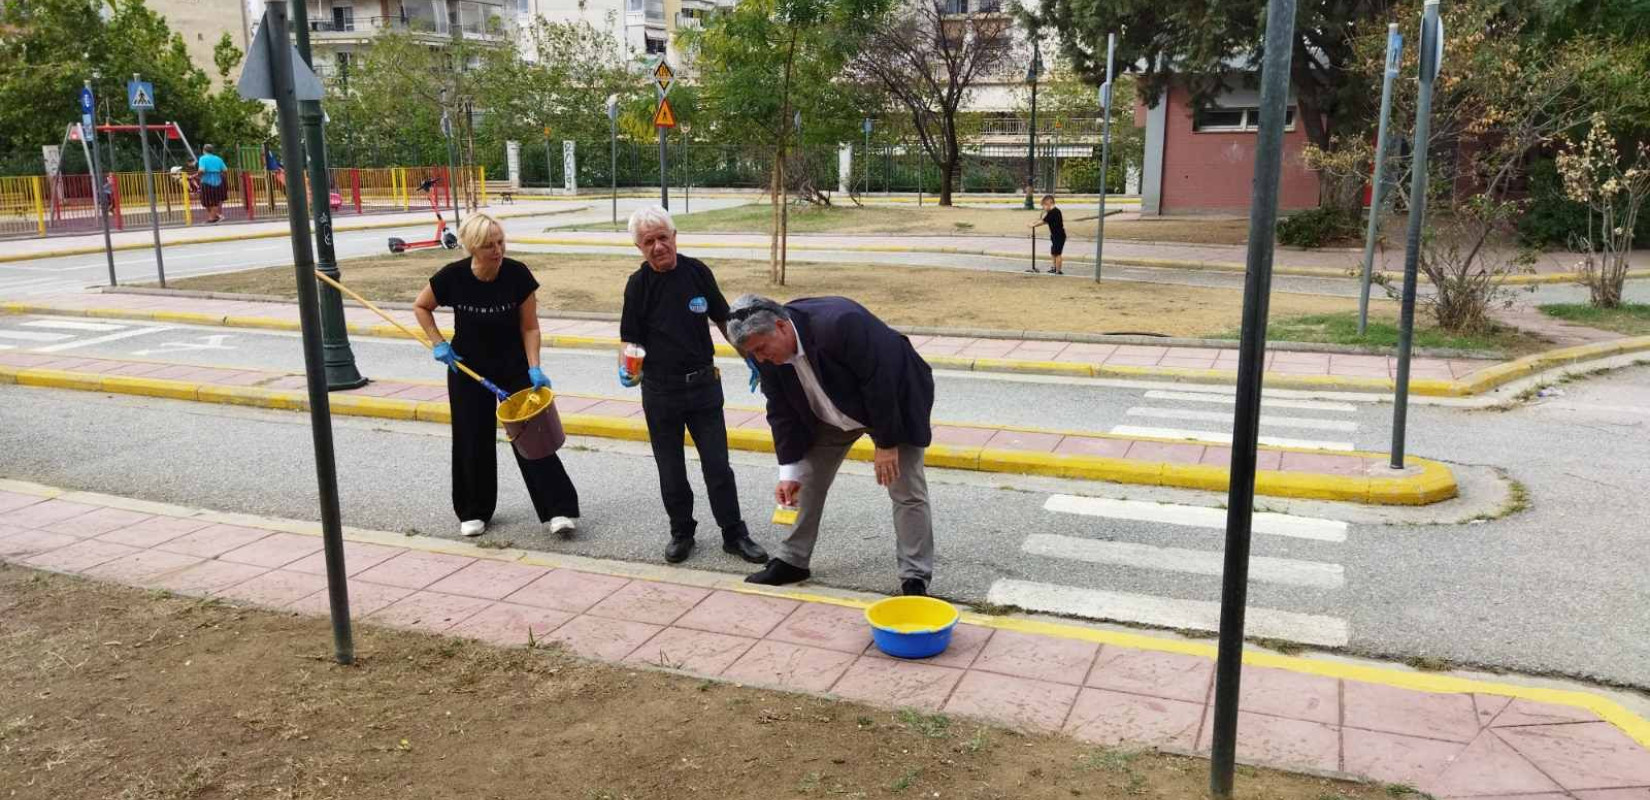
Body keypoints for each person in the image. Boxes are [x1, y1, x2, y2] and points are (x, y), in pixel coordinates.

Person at [728, 294, 937, 596]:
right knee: (807, 478)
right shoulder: (766, 356)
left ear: (781, 326)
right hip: (831, 410)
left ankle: (915, 577)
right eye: (752, 354)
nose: (760, 359)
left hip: (892, 403)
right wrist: (789, 471)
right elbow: (781, 410)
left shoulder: (839, 323)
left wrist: (887, 443)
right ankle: (793, 560)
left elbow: (882, 381)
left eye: (761, 349)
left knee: (906, 489)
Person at [412, 213, 579, 539]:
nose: (498, 250)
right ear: (473, 247)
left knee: (534, 437)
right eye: (489, 245)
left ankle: (558, 509)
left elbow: (530, 327)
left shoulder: (518, 275)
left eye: (500, 242)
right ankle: (474, 510)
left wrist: (535, 366)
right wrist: (439, 344)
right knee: (471, 438)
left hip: (513, 367)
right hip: (467, 369)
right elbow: (421, 306)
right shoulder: (453, 277)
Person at [619, 206, 768, 565]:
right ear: (639, 247)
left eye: (662, 238)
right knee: (671, 470)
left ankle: (734, 534)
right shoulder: (638, 285)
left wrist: (751, 356)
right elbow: (631, 340)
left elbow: (724, 319)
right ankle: (681, 532)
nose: (657, 247)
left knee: (718, 466)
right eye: (648, 242)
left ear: (674, 237)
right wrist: (628, 367)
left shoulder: (697, 272)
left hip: (702, 387)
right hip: (660, 391)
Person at [1028, 194, 1066, 274]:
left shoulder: (1054, 212)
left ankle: (1058, 270)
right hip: (1055, 235)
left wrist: (1033, 225)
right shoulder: (1051, 212)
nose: (1044, 208)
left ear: (1049, 203)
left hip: (1059, 236)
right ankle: (1054, 267)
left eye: (1044, 206)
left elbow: (1043, 222)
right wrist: (1034, 222)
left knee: (1057, 253)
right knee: (1053, 252)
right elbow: (1044, 220)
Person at [195, 144, 228, 223]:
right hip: (217, 180)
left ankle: (212, 218)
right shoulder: (218, 159)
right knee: (215, 200)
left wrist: (199, 175)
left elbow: (202, 170)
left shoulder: (202, 158)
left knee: (205, 201)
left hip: (206, 181)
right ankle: (215, 216)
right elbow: (225, 170)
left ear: (204, 150)